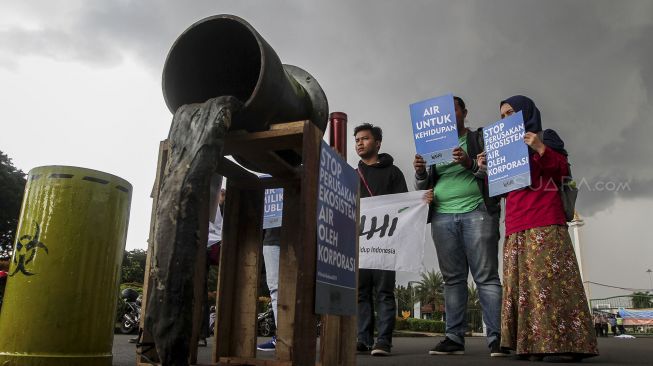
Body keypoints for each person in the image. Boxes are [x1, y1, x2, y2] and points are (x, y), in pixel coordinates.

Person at [484, 95, 598, 362]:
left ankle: (567, 345)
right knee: (523, 288)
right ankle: (532, 344)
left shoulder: (545, 137)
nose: (505, 119)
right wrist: (486, 169)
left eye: (510, 112)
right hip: (516, 224)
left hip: (544, 221)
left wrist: (540, 148)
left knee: (551, 284)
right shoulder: (502, 148)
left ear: (526, 113)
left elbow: (563, 172)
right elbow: (499, 191)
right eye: (501, 116)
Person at [414, 96, 507, 357]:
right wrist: (420, 172)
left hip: (477, 211)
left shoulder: (480, 138)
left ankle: (496, 337)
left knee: (486, 276)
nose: (447, 115)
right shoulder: (432, 146)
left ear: (464, 112)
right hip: (442, 216)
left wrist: (469, 164)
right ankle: (453, 337)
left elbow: (500, 175)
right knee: (452, 279)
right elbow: (423, 187)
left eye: (452, 109)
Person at [355, 123, 408, 356]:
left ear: (377, 143)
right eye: (356, 139)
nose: (359, 143)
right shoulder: (351, 174)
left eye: (364, 138)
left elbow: (406, 205)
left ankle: (383, 341)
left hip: (386, 242)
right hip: (360, 244)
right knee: (361, 292)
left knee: (384, 292)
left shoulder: (393, 172)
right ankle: (362, 339)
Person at [256, 227, 281, 351]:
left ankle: (282, 338)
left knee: (277, 290)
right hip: (274, 239)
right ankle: (281, 337)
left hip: (277, 238)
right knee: (276, 290)